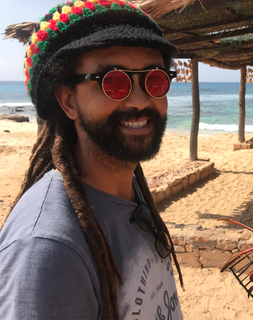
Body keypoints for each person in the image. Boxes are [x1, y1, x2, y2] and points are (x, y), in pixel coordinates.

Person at [0, 1, 184, 319]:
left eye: (154, 80)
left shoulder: (127, 191)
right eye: (113, 81)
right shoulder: (48, 249)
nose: (141, 100)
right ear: (68, 101)